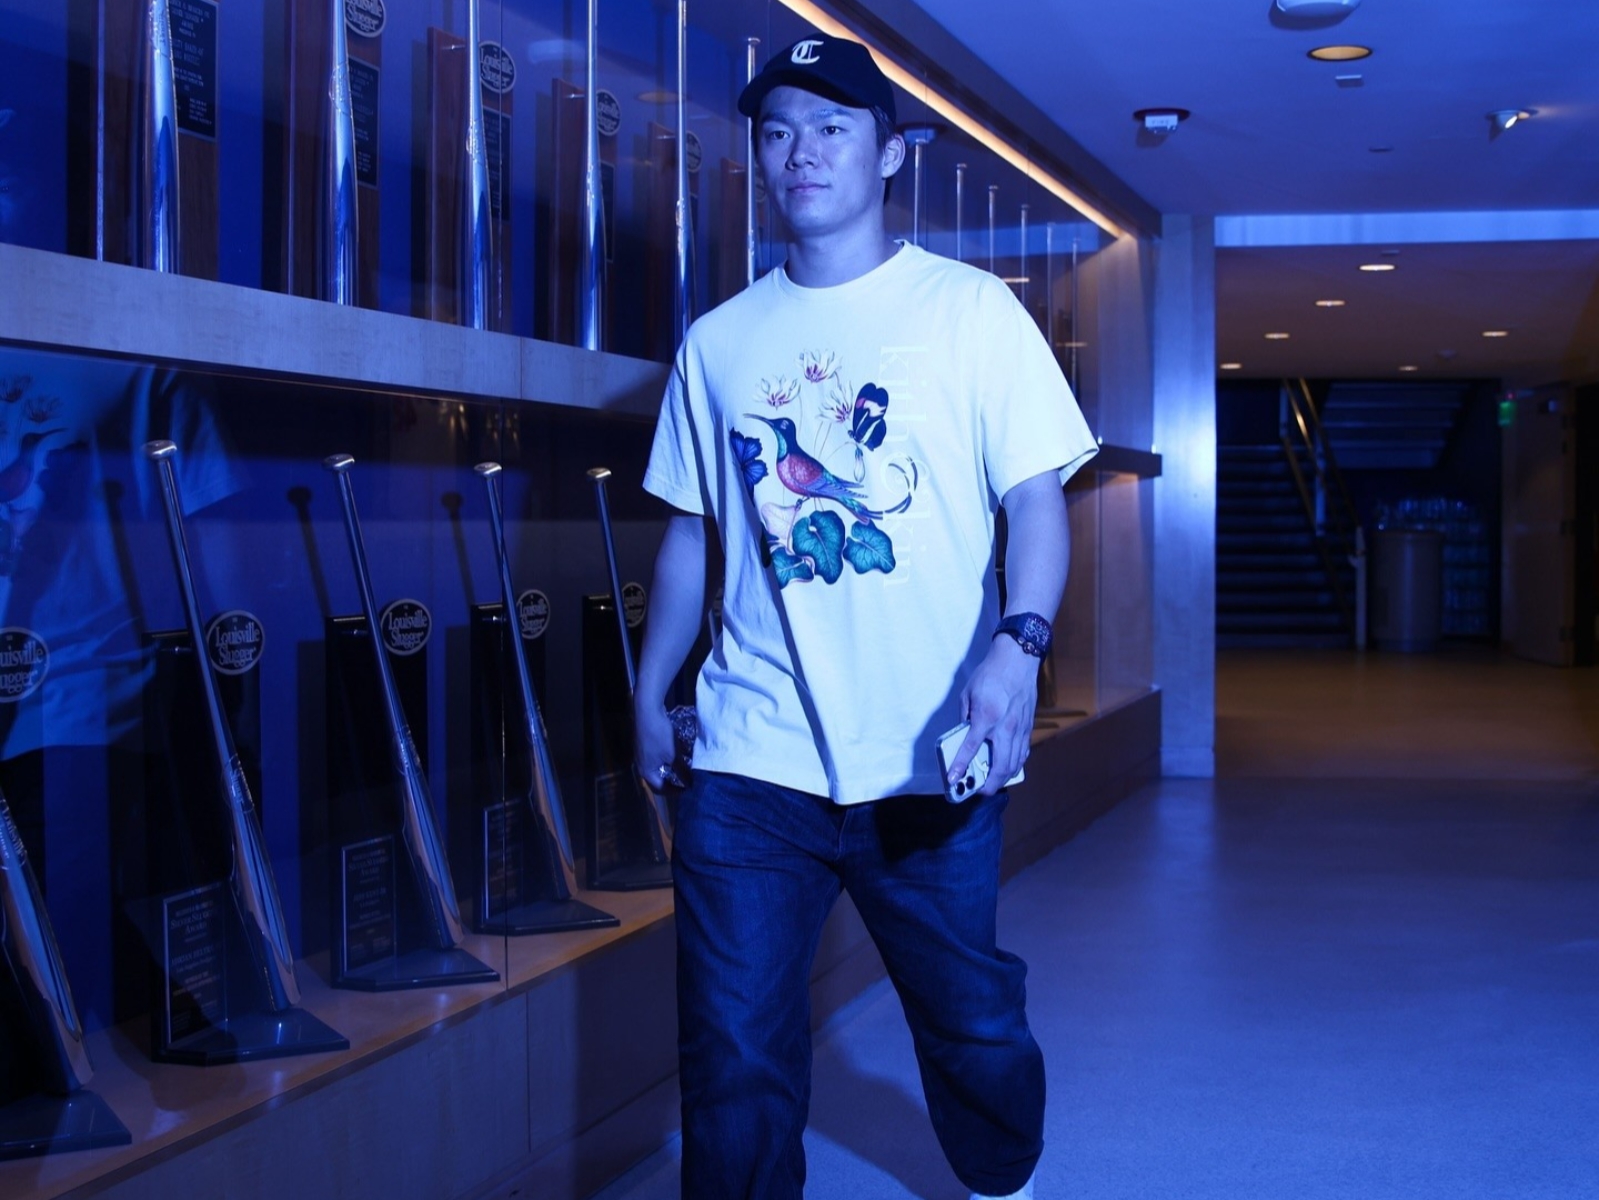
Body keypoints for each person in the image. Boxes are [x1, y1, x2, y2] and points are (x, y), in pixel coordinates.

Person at [633, 33, 1098, 1200]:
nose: (801, 151)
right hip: (750, 759)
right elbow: (692, 533)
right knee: (733, 1058)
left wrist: (1020, 644)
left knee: (971, 1020)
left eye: (832, 127)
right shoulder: (718, 343)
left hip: (928, 749)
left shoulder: (970, 311)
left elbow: (1036, 503)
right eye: (778, 131)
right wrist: (650, 686)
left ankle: (1002, 1175)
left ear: (890, 154)